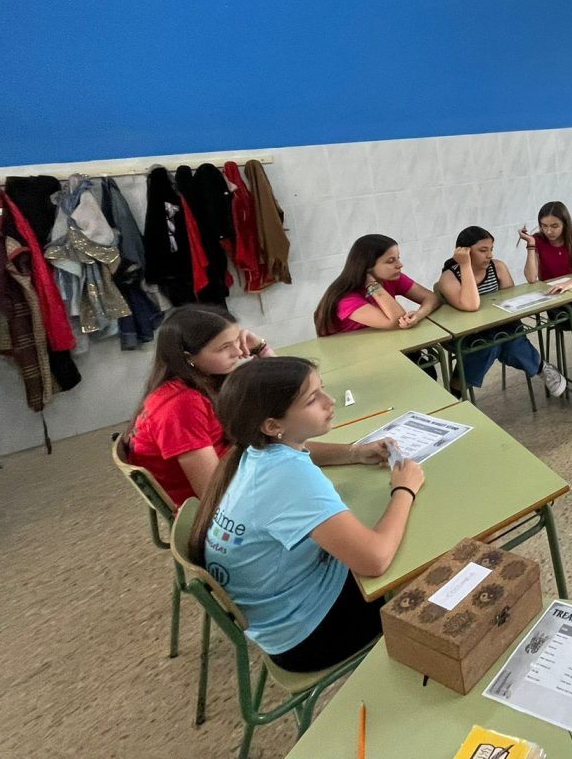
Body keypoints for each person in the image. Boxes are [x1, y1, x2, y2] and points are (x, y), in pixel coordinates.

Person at [190, 357, 422, 671]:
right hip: (310, 636)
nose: (329, 401)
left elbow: (302, 447)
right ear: (273, 425)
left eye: (322, 389)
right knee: (424, 558)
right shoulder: (288, 477)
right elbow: (374, 560)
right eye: (313, 399)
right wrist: (404, 489)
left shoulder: (253, 450)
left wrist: (353, 452)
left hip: (284, 611)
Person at [125, 305, 273, 506]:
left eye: (237, 341)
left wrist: (261, 348)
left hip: (235, 471)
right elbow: (213, 494)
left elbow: (291, 390)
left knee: (291, 443)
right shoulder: (180, 406)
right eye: (224, 347)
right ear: (188, 357)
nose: (238, 351)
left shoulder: (205, 380)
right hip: (220, 504)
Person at [436, 225, 566, 400]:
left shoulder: (497, 267)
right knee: (489, 345)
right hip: (468, 333)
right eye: (483, 250)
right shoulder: (449, 277)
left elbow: (510, 303)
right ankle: (540, 367)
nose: (489, 255)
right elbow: (472, 305)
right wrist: (465, 265)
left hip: (500, 326)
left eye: (491, 249)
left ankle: (455, 389)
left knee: (507, 342)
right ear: (464, 251)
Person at [521, 201, 572, 397]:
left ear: (565, 223)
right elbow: (531, 278)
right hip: (556, 303)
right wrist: (530, 245)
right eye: (544, 226)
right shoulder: (538, 241)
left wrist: (570, 283)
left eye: (554, 226)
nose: (549, 231)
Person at [313, 234, 440, 336]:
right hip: (352, 354)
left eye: (398, 258)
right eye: (391, 261)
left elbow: (432, 298)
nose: (400, 265)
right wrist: (372, 285)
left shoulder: (392, 278)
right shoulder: (346, 299)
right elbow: (397, 321)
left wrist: (419, 315)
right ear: (368, 266)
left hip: (383, 342)